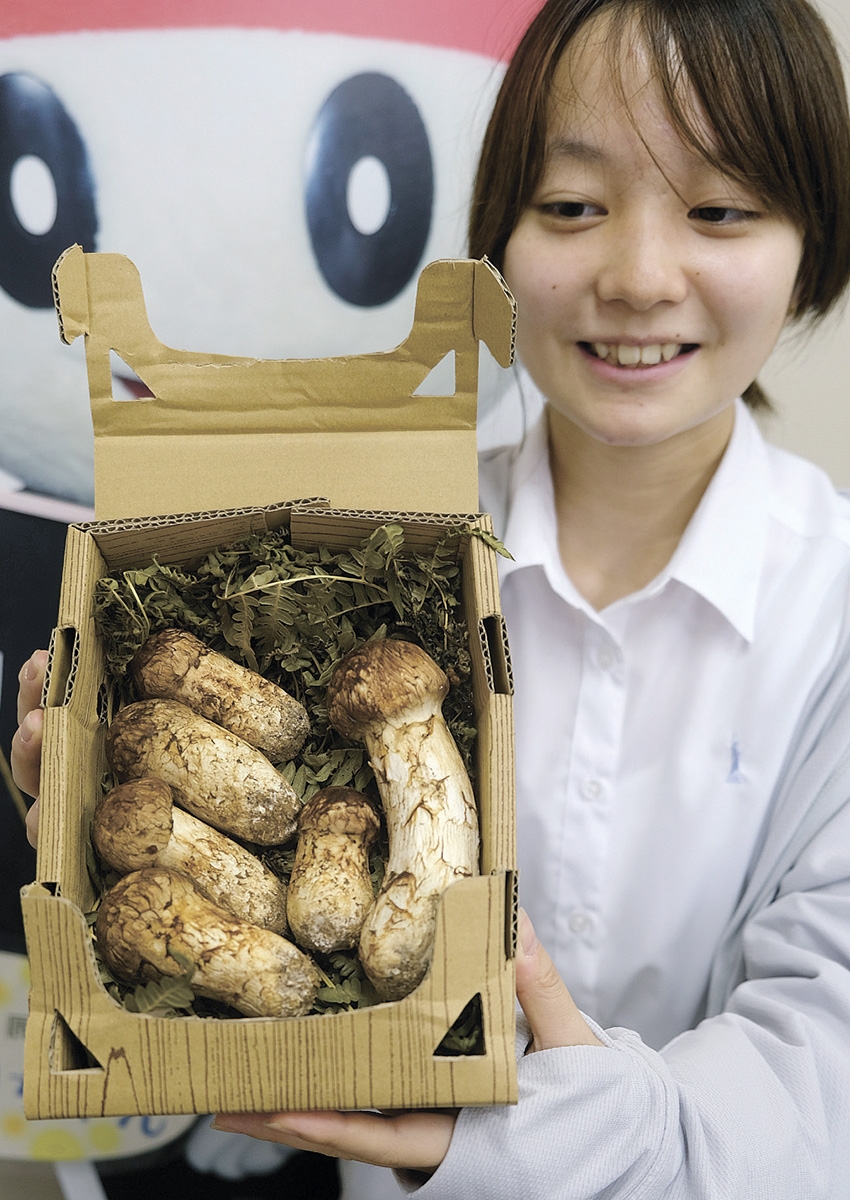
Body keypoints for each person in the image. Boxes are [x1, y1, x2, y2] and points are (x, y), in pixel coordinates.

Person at [14, 0, 850, 1194]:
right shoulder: (381, 554)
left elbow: (825, 1078)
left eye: (719, 211)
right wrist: (77, 812)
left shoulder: (832, 617)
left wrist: (548, 1140)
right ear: (498, 236)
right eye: (571, 206)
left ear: (811, 242)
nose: (638, 276)